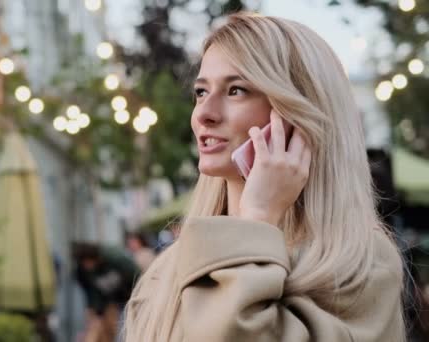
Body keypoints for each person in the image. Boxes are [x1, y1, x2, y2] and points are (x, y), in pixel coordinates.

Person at [123, 12, 406, 341]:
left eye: (236, 90)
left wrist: (256, 218)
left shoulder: (360, 260)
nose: (204, 114)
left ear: (297, 115)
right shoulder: (168, 268)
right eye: (201, 92)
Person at [72, 242, 139, 342]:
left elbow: (136, 275)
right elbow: (91, 292)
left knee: (126, 329)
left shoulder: (115, 259)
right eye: (84, 264)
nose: (87, 266)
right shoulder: (83, 272)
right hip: (111, 303)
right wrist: (95, 310)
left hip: (130, 297)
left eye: (88, 262)